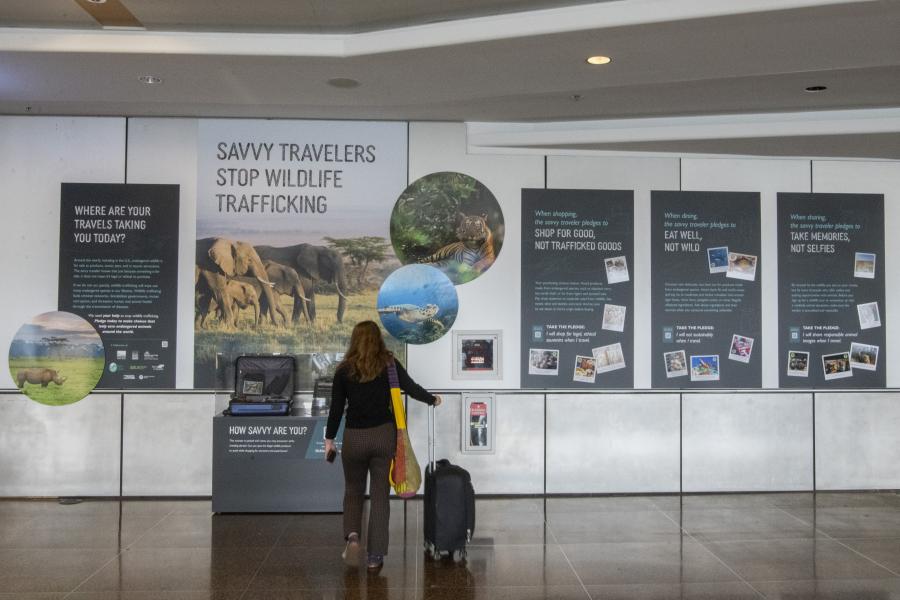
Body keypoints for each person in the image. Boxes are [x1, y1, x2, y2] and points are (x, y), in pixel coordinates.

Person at [325, 320, 441, 571]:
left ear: (354, 340)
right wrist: (432, 399)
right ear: (378, 339)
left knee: (353, 490)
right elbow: (410, 388)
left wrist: (329, 440)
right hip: (382, 436)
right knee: (380, 496)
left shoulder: (344, 369)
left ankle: (353, 537)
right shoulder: (388, 363)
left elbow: (336, 409)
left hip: (355, 437)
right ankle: (375, 556)